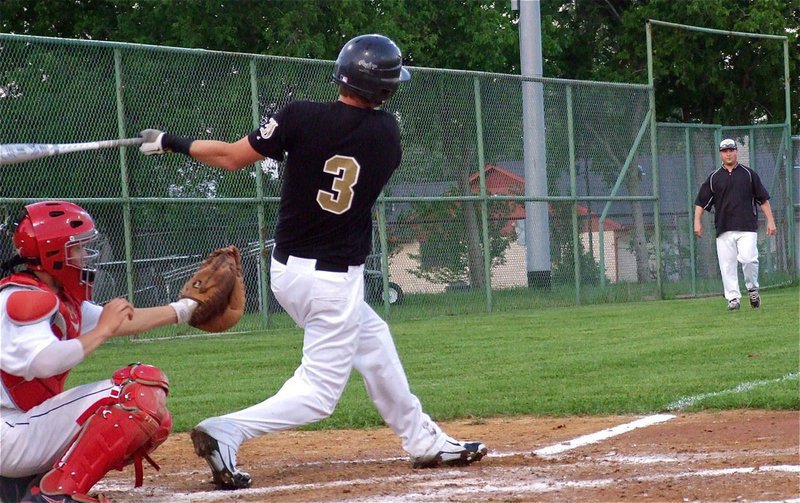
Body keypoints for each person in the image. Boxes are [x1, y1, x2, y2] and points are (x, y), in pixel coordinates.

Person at [138, 33, 487, 489]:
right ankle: (229, 429)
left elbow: (230, 157)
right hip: (334, 282)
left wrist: (170, 141)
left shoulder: (299, 115)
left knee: (375, 343)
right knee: (320, 395)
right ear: (384, 89)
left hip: (287, 272)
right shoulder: (387, 135)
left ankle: (422, 440)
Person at [0, 200, 202, 502]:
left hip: (16, 427)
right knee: (136, 390)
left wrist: (188, 309)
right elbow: (42, 362)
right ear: (53, 252)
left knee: (158, 419)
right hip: (8, 433)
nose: (85, 256)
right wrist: (102, 331)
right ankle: (55, 496)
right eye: (77, 248)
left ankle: (22, 487)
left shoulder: (53, 297)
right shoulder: (24, 300)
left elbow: (128, 321)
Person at [694, 138, 777, 311]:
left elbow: (763, 199)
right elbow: (701, 202)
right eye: (725, 151)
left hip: (747, 226)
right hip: (724, 228)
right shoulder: (714, 177)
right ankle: (733, 298)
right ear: (720, 154)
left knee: (749, 259)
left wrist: (770, 221)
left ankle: (752, 289)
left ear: (736, 152)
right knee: (727, 265)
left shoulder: (748, 174)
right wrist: (697, 222)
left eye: (731, 150)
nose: (728, 153)